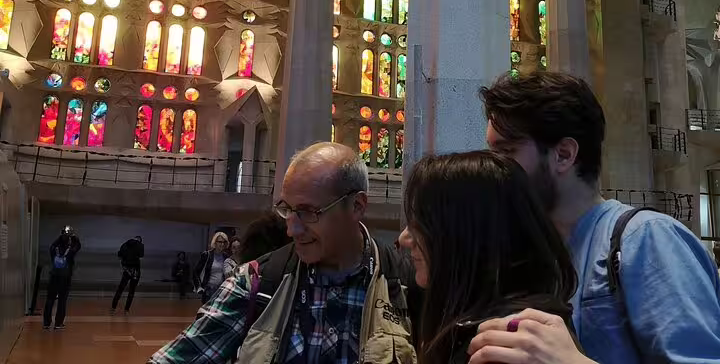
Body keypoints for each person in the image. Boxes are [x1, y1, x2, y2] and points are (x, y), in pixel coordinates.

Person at [469, 72, 720, 363]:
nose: (493, 167)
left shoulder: (647, 239)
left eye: (506, 151)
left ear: (563, 154)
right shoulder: (540, 254)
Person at [149, 142, 418, 364]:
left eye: (308, 212)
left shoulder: (407, 286)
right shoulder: (255, 283)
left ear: (357, 206)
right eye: (286, 209)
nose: (292, 229)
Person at [398, 151, 580, 364]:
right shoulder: (479, 323)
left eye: (421, 223)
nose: (404, 238)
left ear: (464, 235)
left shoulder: (510, 344)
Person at [43, 226, 81, 330]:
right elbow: (78, 246)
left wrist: (61, 236)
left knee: (50, 299)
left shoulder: (53, 248)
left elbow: (53, 245)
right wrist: (73, 237)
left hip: (54, 275)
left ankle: (46, 322)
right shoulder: (70, 250)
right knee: (62, 300)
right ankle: (58, 323)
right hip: (65, 277)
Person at [112, 235, 145, 313]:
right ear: (140, 240)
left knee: (120, 289)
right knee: (131, 291)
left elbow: (119, 256)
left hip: (126, 270)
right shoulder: (140, 245)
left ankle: (113, 307)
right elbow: (141, 256)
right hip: (135, 271)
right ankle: (126, 310)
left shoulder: (124, 244)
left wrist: (124, 263)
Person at [192, 231, 229, 304]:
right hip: (208, 290)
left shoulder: (226, 257)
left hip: (221, 290)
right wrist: (199, 287)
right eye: (220, 242)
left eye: (224, 242)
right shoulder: (207, 255)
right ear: (215, 242)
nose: (222, 244)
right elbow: (196, 272)